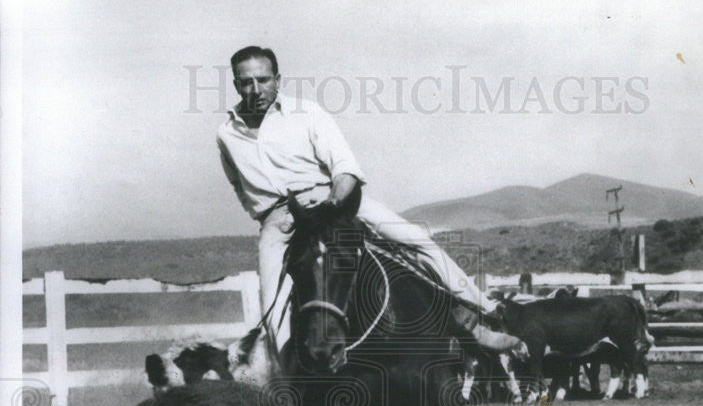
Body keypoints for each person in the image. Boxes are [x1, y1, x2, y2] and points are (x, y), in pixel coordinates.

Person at [217, 45, 522, 359]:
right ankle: (291, 382)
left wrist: (332, 205)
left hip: (330, 201)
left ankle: (485, 312)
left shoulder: (307, 113)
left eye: (263, 79)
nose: (255, 89)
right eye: (246, 82)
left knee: (415, 240)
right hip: (278, 221)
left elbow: (345, 168)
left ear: (277, 79)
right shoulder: (226, 134)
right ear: (236, 85)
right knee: (272, 307)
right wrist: (265, 215)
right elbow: (238, 184)